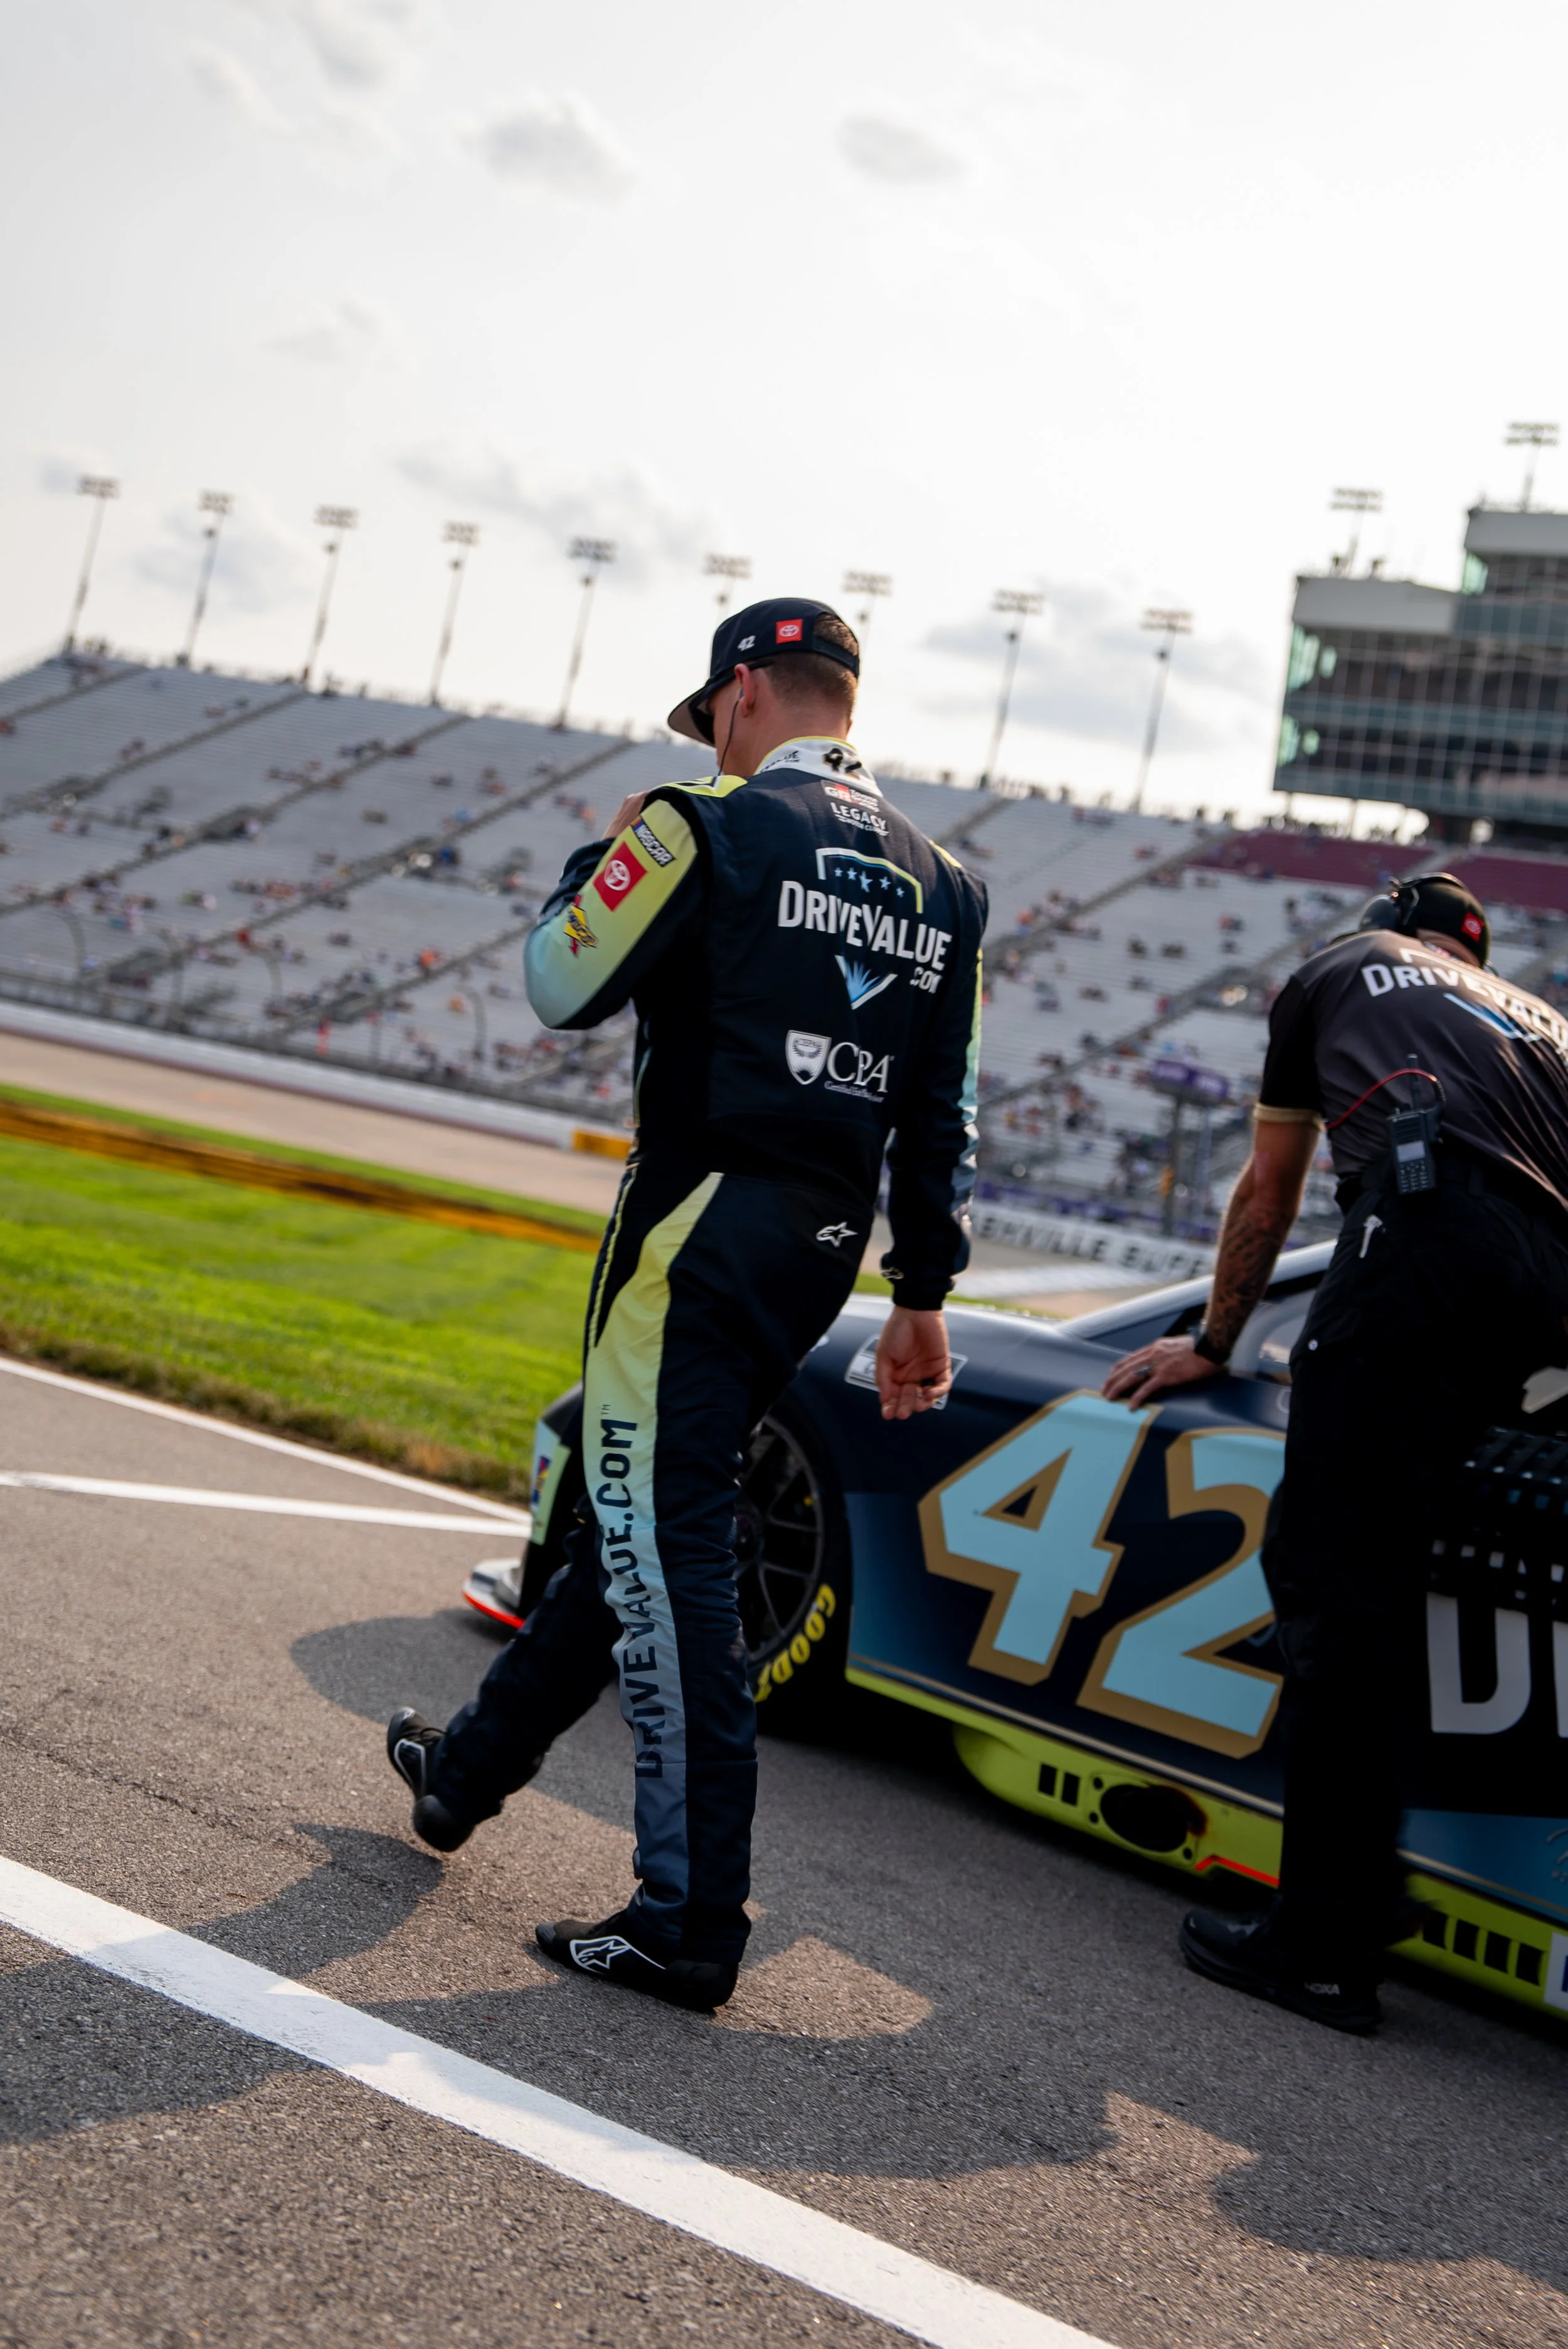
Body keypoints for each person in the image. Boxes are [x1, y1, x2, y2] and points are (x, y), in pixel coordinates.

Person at [387, 598, 987, 2011]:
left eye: (712, 716)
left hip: (695, 1228)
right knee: (642, 1522)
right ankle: (465, 1772)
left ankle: (689, 1916)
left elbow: (557, 983)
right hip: (820, 1249)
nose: (711, 738)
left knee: (668, 1551)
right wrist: (923, 1290)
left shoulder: (697, 822)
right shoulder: (946, 884)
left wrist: (601, 858)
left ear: (742, 697)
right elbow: (942, 1108)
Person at [1103, 871, 1568, 2034]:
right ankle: (1374, 1882)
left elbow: (1272, 1187)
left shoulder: (1341, 969)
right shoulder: (1547, 1024)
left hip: (1422, 1233)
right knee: (1398, 1548)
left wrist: (1215, 1341)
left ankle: (1321, 1938)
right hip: (1544, 1285)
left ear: (1390, 929)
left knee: (1334, 1579)